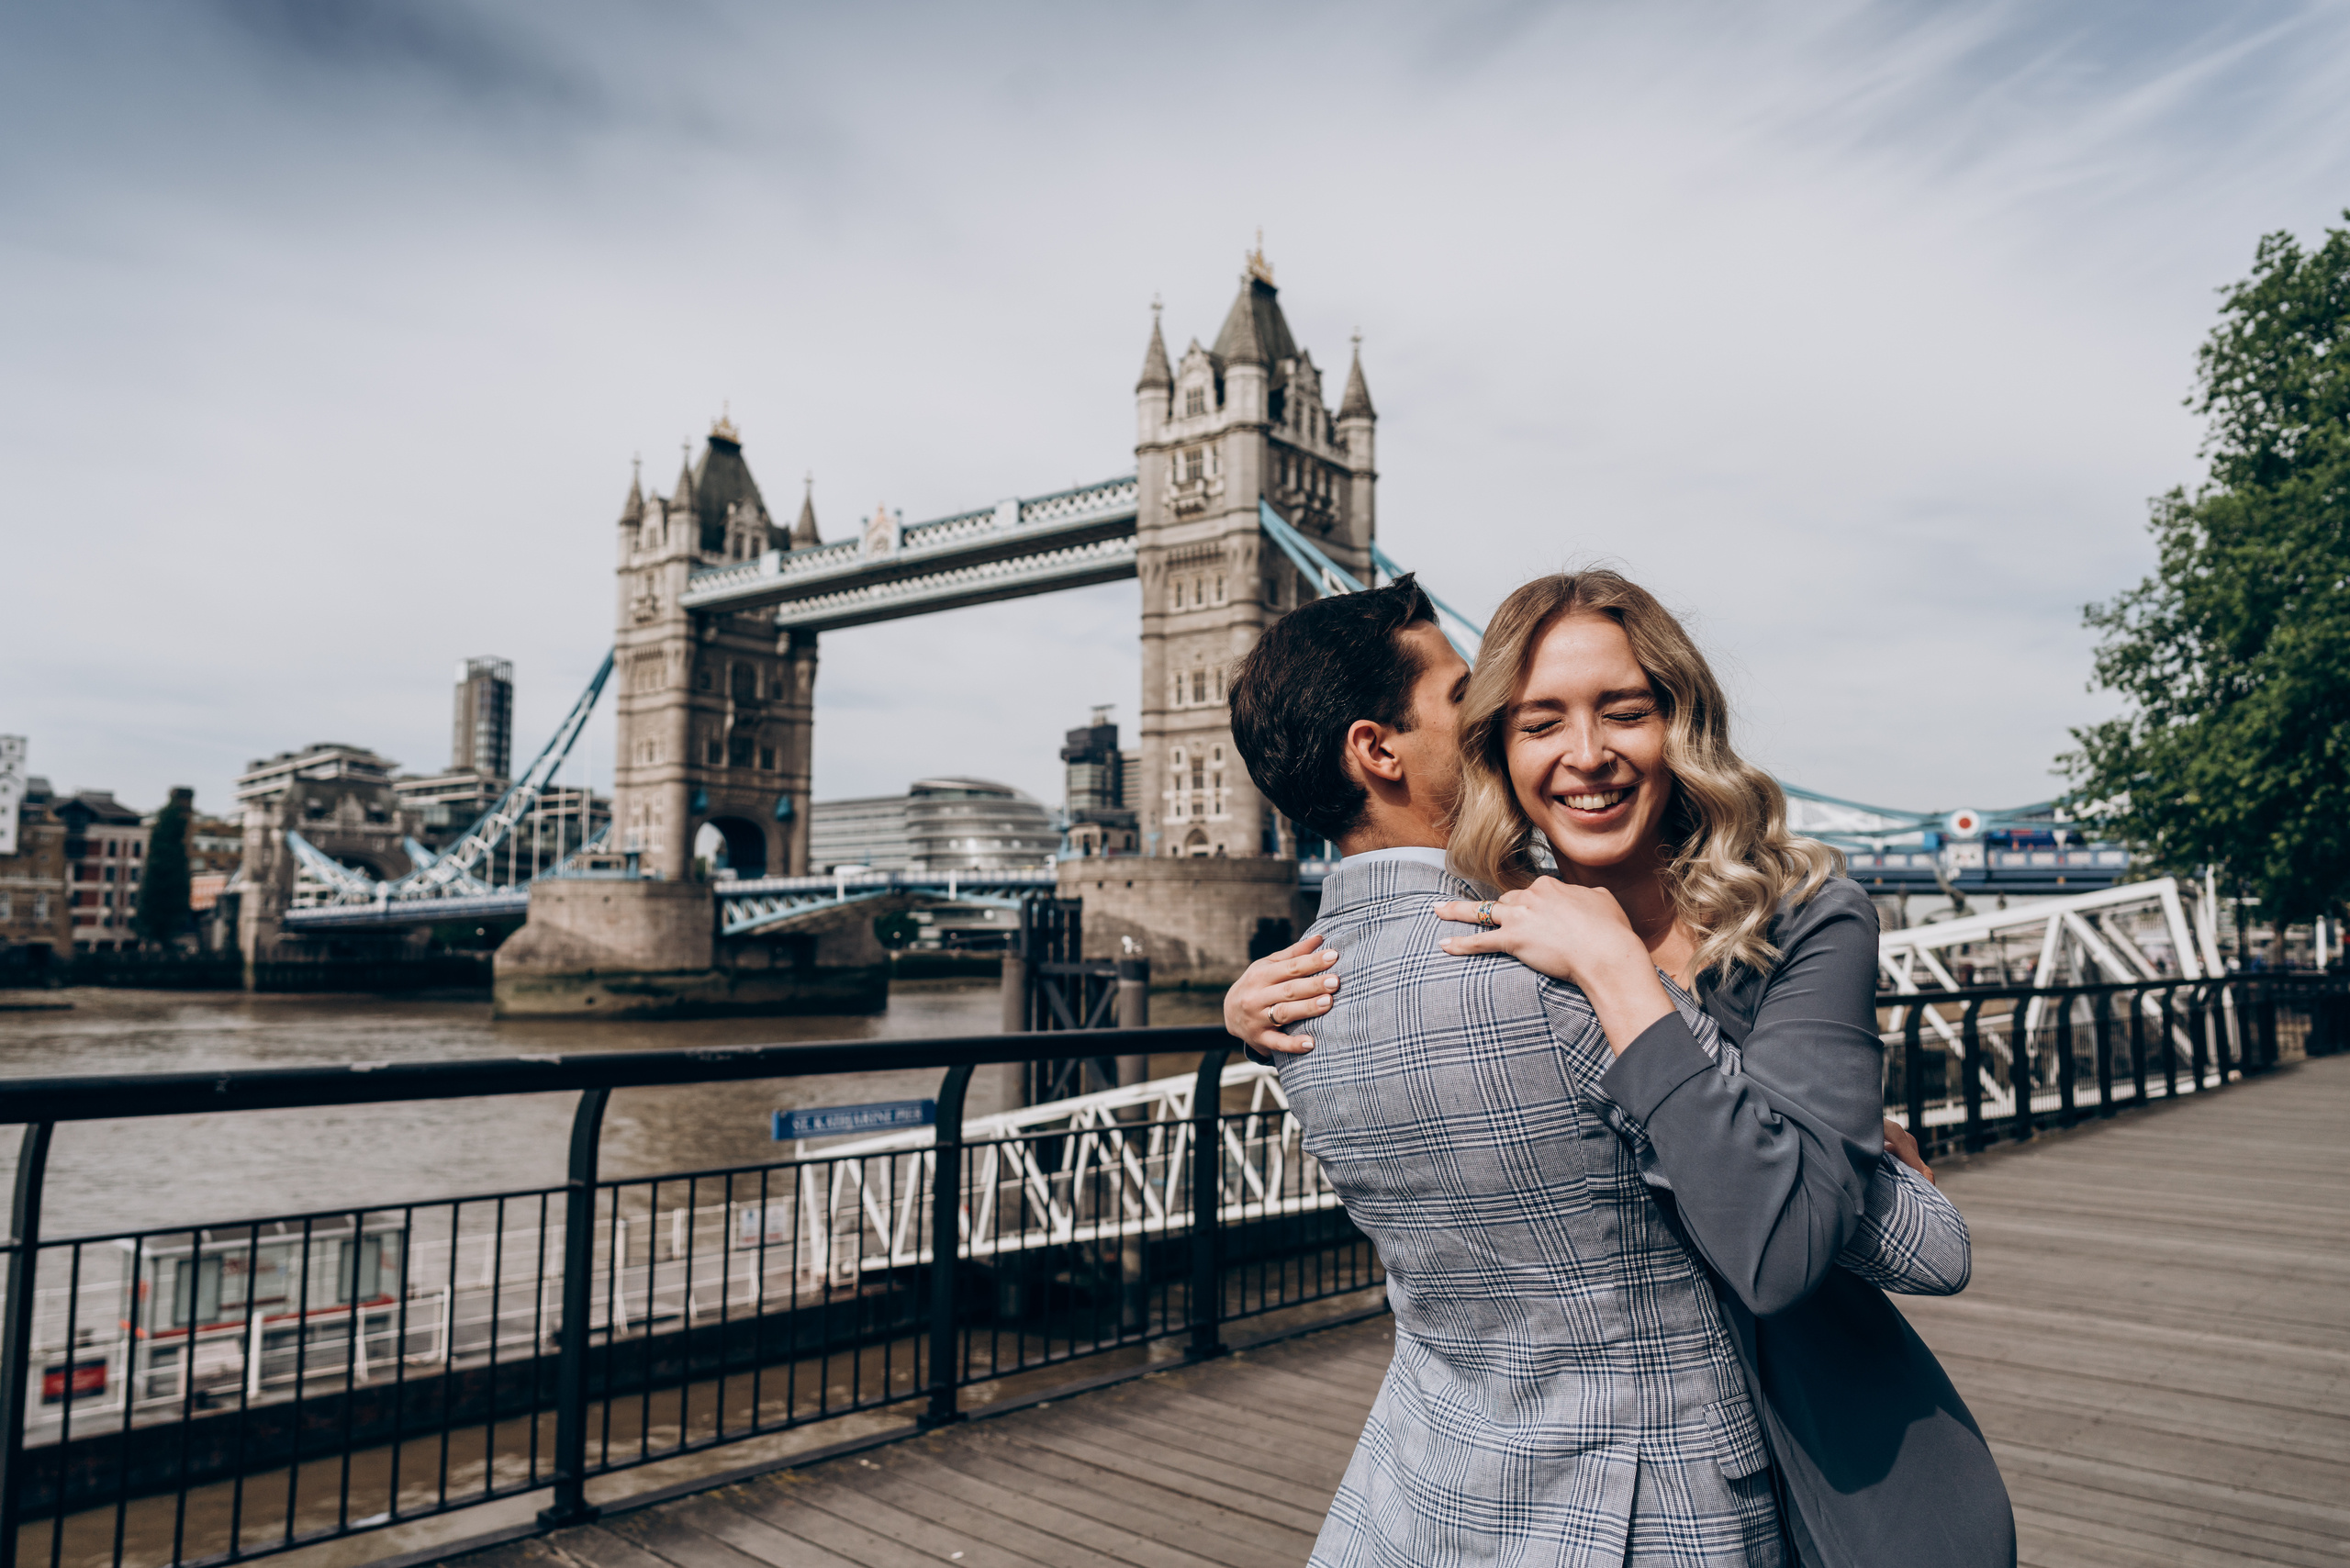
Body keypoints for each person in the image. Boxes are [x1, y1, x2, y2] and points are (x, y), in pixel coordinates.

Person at [1228, 571, 2013, 1568]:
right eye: (1526, 718)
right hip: (1640, 1491)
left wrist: (1617, 971)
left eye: (1624, 711)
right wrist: (1852, 1153)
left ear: (1676, 723)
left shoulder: (1800, 918)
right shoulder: (1522, 965)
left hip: (1783, 1458)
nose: (1585, 754)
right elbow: (1918, 1240)